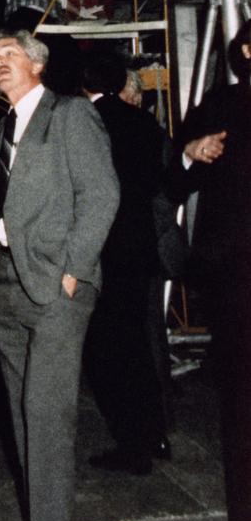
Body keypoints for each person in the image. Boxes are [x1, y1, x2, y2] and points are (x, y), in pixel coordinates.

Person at [0, 30, 119, 521]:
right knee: (22, 420)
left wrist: (74, 272)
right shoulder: (2, 125)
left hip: (55, 288)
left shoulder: (70, 115)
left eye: (8, 55)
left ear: (37, 63)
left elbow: (102, 193)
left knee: (48, 420)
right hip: (5, 285)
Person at [165, 19, 251, 521]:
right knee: (243, 407)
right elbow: (174, 178)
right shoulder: (221, 104)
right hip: (240, 281)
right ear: (247, 49)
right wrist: (192, 153)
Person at [81, 53, 170, 474]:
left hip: (106, 253)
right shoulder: (145, 123)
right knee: (141, 345)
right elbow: (158, 183)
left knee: (109, 354)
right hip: (141, 249)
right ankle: (156, 432)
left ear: (85, 87)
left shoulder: (88, 123)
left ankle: (131, 445)